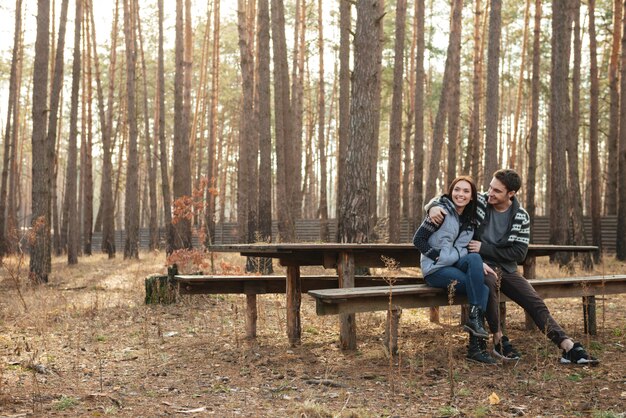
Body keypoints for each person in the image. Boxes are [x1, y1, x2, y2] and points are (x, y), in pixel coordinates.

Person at [428, 169, 599, 365]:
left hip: (507, 268)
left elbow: (519, 253)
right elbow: (448, 199)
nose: (490, 192)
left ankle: (567, 346)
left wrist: (485, 248)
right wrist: (432, 207)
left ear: (511, 194)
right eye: (490, 187)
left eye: (497, 191)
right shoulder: (481, 202)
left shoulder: (521, 216)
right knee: (489, 284)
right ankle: (499, 339)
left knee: (533, 300)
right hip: (479, 265)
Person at [413, 175, 498, 364]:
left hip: (455, 264)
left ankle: (474, 325)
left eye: (466, 191)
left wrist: (480, 263)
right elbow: (418, 239)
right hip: (436, 271)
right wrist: (436, 256)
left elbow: (467, 249)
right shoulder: (439, 213)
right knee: (482, 289)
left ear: (472, 197)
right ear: (451, 192)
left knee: (475, 258)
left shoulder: (470, 221)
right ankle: (477, 347)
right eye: (457, 190)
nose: (461, 194)